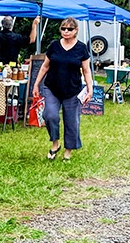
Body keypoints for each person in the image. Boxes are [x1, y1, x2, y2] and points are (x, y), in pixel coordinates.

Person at [32, 18, 94, 161]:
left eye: (69, 29)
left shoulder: (81, 48)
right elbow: (45, 66)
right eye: (63, 28)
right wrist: (36, 84)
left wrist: (90, 89)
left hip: (73, 90)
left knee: (72, 121)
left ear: (76, 31)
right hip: (52, 87)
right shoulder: (54, 45)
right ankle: (55, 144)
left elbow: (86, 71)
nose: (66, 31)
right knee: (50, 115)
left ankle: (68, 152)